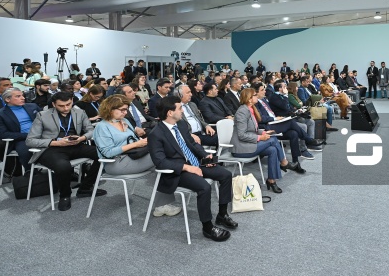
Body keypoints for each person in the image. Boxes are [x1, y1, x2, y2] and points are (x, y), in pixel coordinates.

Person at [148, 96, 237, 242]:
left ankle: (222, 214)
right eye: (180, 108)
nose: (183, 110)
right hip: (177, 171)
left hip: (194, 162)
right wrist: (187, 167)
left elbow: (192, 144)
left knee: (225, 175)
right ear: (170, 113)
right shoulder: (156, 134)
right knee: (204, 187)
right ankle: (207, 227)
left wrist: (205, 155)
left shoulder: (181, 125)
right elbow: (160, 162)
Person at [26, 91, 106, 211]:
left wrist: (82, 138)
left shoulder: (80, 112)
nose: (66, 108)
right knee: (63, 167)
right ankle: (65, 195)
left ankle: (85, 187)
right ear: (54, 104)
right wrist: (56, 142)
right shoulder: (43, 115)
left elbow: (91, 130)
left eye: (68, 104)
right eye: (61, 106)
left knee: (104, 154)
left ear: (72, 101)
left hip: (76, 144)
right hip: (52, 148)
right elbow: (30, 140)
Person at [230, 88, 290, 193]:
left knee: (272, 149)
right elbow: (241, 135)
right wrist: (260, 138)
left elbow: (253, 129)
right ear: (249, 99)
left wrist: (262, 133)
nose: (257, 96)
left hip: (249, 144)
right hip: (241, 148)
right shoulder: (242, 112)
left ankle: (271, 180)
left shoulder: (251, 109)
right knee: (273, 140)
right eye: (254, 95)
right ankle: (284, 162)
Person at [92, 94, 155, 175]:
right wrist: (135, 144)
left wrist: (142, 142)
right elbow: (108, 153)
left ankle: (166, 184)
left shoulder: (124, 120)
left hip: (133, 155)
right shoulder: (102, 127)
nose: (125, 113)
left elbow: (133, 139)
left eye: (126, 110)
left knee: (161, 154)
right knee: (160, 155)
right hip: (115, 163)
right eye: (122, 110)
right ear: (110, 109)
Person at [0, 88, 40, 172]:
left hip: (42, 135)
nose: (23, 98)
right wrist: (27, 135)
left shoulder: (33, 106)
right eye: (18, 96)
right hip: (22, 139)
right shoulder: (0, 114)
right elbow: (3, 134)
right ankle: (32, 175)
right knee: (25, 152)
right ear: (7, 99)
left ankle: (66, 172)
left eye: (22, 95)